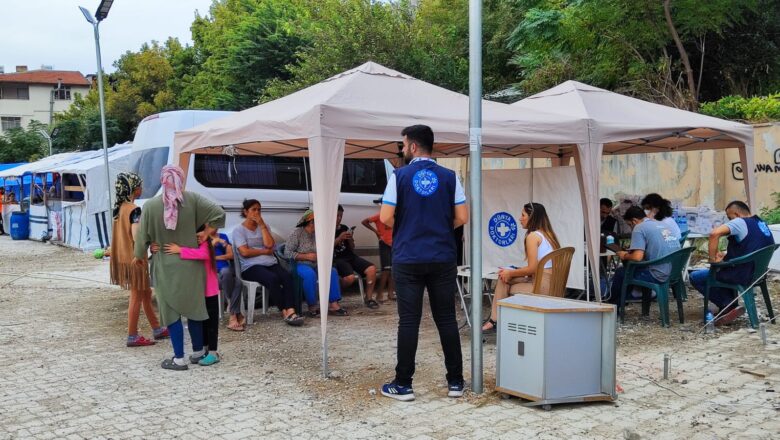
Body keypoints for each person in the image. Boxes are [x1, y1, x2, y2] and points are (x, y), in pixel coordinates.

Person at [379, 124, 469, 402]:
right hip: (442, 256)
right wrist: (440, 227)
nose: (402, 149)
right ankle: (456, 382)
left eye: (403, 144)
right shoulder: (451, 177)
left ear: (413, 146)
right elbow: (462, 217)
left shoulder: (399, 175)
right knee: (446, 319)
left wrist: (406, 228)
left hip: (408, 257)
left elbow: (384, 217)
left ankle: (403, 384)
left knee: (409, 321)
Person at [133, 165, 226, 371]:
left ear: (162, 180)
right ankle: (198, 352)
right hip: (192, 268)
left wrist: (141, 255)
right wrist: (206, 232)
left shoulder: (150, 206)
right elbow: (219, 213)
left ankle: (179, 359)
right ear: (181, 180)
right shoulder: (192, 200)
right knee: (194, 308)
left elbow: (142, 239)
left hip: (165, 266)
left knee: (171, 312)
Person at [689, 201, 775, 325]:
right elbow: (752, 248)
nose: (729, 221)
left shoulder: (740, 221)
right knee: (724, 268)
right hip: (757, 274)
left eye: (730, 218)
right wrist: (725, 255)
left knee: (696, 276)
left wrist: (713, 260)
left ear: (736, 214)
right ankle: (730, 304)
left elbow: (714, 234)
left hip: (741, 274)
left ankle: (727, 304)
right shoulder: (761, 223)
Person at [109, 172, 168, 347]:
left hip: (123, 258)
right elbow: (136, 235)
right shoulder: (134, 210)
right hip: (136, 259)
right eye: (140, 185)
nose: (142, 188)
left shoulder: (119, 208)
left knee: (145, 293)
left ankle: (157, 328)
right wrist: (149, 243)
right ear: (133, 188)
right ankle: (132, 335)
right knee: (136, 296)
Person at [482, 203, 561, 333]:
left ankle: (495, 320)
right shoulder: (549, 235)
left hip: (540, 286)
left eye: (523, 215)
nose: (520, 218)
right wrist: (512, 272)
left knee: (503, 278)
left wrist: (510, 272)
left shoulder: (533, 236)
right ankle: (496, 320)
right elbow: (539, 267)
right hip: (552, 284)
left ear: (532, 217)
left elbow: (532, 269)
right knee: (506, 276)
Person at [233, 199, 304, 327]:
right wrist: (264, 252)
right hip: (251, 267)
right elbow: (244, 252)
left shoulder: (264, 227)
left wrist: (262, 225)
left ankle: (291, 310)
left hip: (270, 263)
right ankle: (285, 311)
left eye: (259, 210)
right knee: (272, 279)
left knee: (287, 277)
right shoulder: (239, 230)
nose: (257, 212)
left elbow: (270, 245)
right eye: (253, 209)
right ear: (245, 212)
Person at [163, 225, 221, 366]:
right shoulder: (197, 245)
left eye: (200, 233)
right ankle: (206, 350)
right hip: (200, 291)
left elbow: (203, 255)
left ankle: (213, 353)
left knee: (211, 324)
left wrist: (180, 250)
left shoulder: (205, 246)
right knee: (204, 322)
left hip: (210, 291)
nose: (198, 236)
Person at [608, 206, 681, 303]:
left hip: (657, 274)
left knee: (621, 273)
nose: (631, 228)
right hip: (673, 273)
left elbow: (637, 257)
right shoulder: (660, 223)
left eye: (630, 225)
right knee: (629, 271)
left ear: (634, 221)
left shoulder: (639, 227)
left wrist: (624, 255)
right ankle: (622, 301)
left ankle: (613, 307)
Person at [283, 209, 347, 317]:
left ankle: (334, 304)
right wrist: (306, 256)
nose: (317, 224)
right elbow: (287, 252)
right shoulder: (297, 233)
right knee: (309, 274)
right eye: (314, 222)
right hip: (300, 263)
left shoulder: (319, 233)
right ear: (309, 222)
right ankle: (312, 306)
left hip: (317, 263)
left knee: (331, 271)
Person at [335, 205, 378, 308]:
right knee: (349, 278)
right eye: (337, 216)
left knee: (371, 269)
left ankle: (369, 298)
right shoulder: (325, 229)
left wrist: (350, 239)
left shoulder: (344, 227)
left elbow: (352, 247)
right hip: (337, 259)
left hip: (350, 256)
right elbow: (325, 248)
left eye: (341, 216)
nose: (339, 218)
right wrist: (339, 238)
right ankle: (332, 293)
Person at [209, 228, 243, 331]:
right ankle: (234, 312)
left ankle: (232, 315)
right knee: (236, 282)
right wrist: (215, 242)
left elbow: (231, 255)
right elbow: (204, 255)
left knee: (232, 277)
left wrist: (216, 258)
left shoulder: (223, 236)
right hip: (211, 274)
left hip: (225, 272)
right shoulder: (202, 237)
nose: (215, 226)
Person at [362, 199, 395, 303]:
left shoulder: (395, 215)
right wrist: (376, 231)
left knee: (393, 271)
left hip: (394, 244)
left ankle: (390, 293)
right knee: (385, 271)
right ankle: (379, 295)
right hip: (384, 243)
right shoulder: (380, 215)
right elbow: (364, 221)